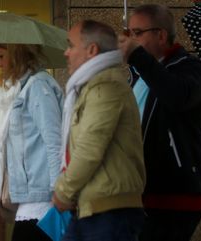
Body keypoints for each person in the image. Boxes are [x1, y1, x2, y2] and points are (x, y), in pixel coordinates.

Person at [118, 4, 201, 241]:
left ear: (160, 34)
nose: (131, 39)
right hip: (140, 190)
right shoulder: (139, 74)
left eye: (137, 33)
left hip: (176, 193)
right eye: (129, 33)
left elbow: (177, 96)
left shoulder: (191, 68)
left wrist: (137, 56)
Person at [53, 20, 145, 241]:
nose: (66, 53)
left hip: (109, 211)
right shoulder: (90, 86)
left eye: (71, 45)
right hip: (93, 206)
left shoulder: (106, 86)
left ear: (91, 50)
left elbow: (89, 148)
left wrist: (63, 191)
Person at [0, 44, 63, 241]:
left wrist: (58, 188)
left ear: (16, 55)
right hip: (31, 193)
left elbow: (53, 139)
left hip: (43, 195)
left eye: (2, 56)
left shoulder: (37, 86)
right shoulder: (17, 90)